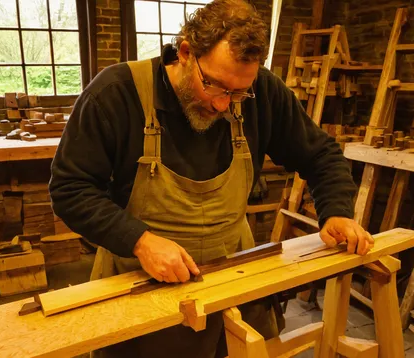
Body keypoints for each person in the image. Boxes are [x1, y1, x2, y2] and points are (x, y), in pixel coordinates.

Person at [49, 0, 374, 356]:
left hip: (233, 275)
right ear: (186, 52)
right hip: (139, 282)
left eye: (238, 93)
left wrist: (336, 211)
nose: (224, 105)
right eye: (215, 86)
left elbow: (321, 154)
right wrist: (139, 240)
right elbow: (70, 189)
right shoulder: (115, 93)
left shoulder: (261, 92)